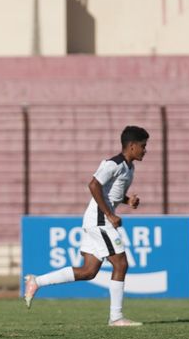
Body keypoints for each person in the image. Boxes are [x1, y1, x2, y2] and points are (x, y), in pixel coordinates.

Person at [24, 125, 149, 327]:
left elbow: (110, 193)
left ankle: (36, 282)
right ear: (132, 146)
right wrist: (110, 214)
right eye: (143, 146)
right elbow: (93, 185)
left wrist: (127, 201)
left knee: (89, 271)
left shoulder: (128, 167)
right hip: (100, 220)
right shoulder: (113, 163)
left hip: (96, 220)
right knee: (121, 263)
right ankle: (116, 317)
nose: (145, 150)